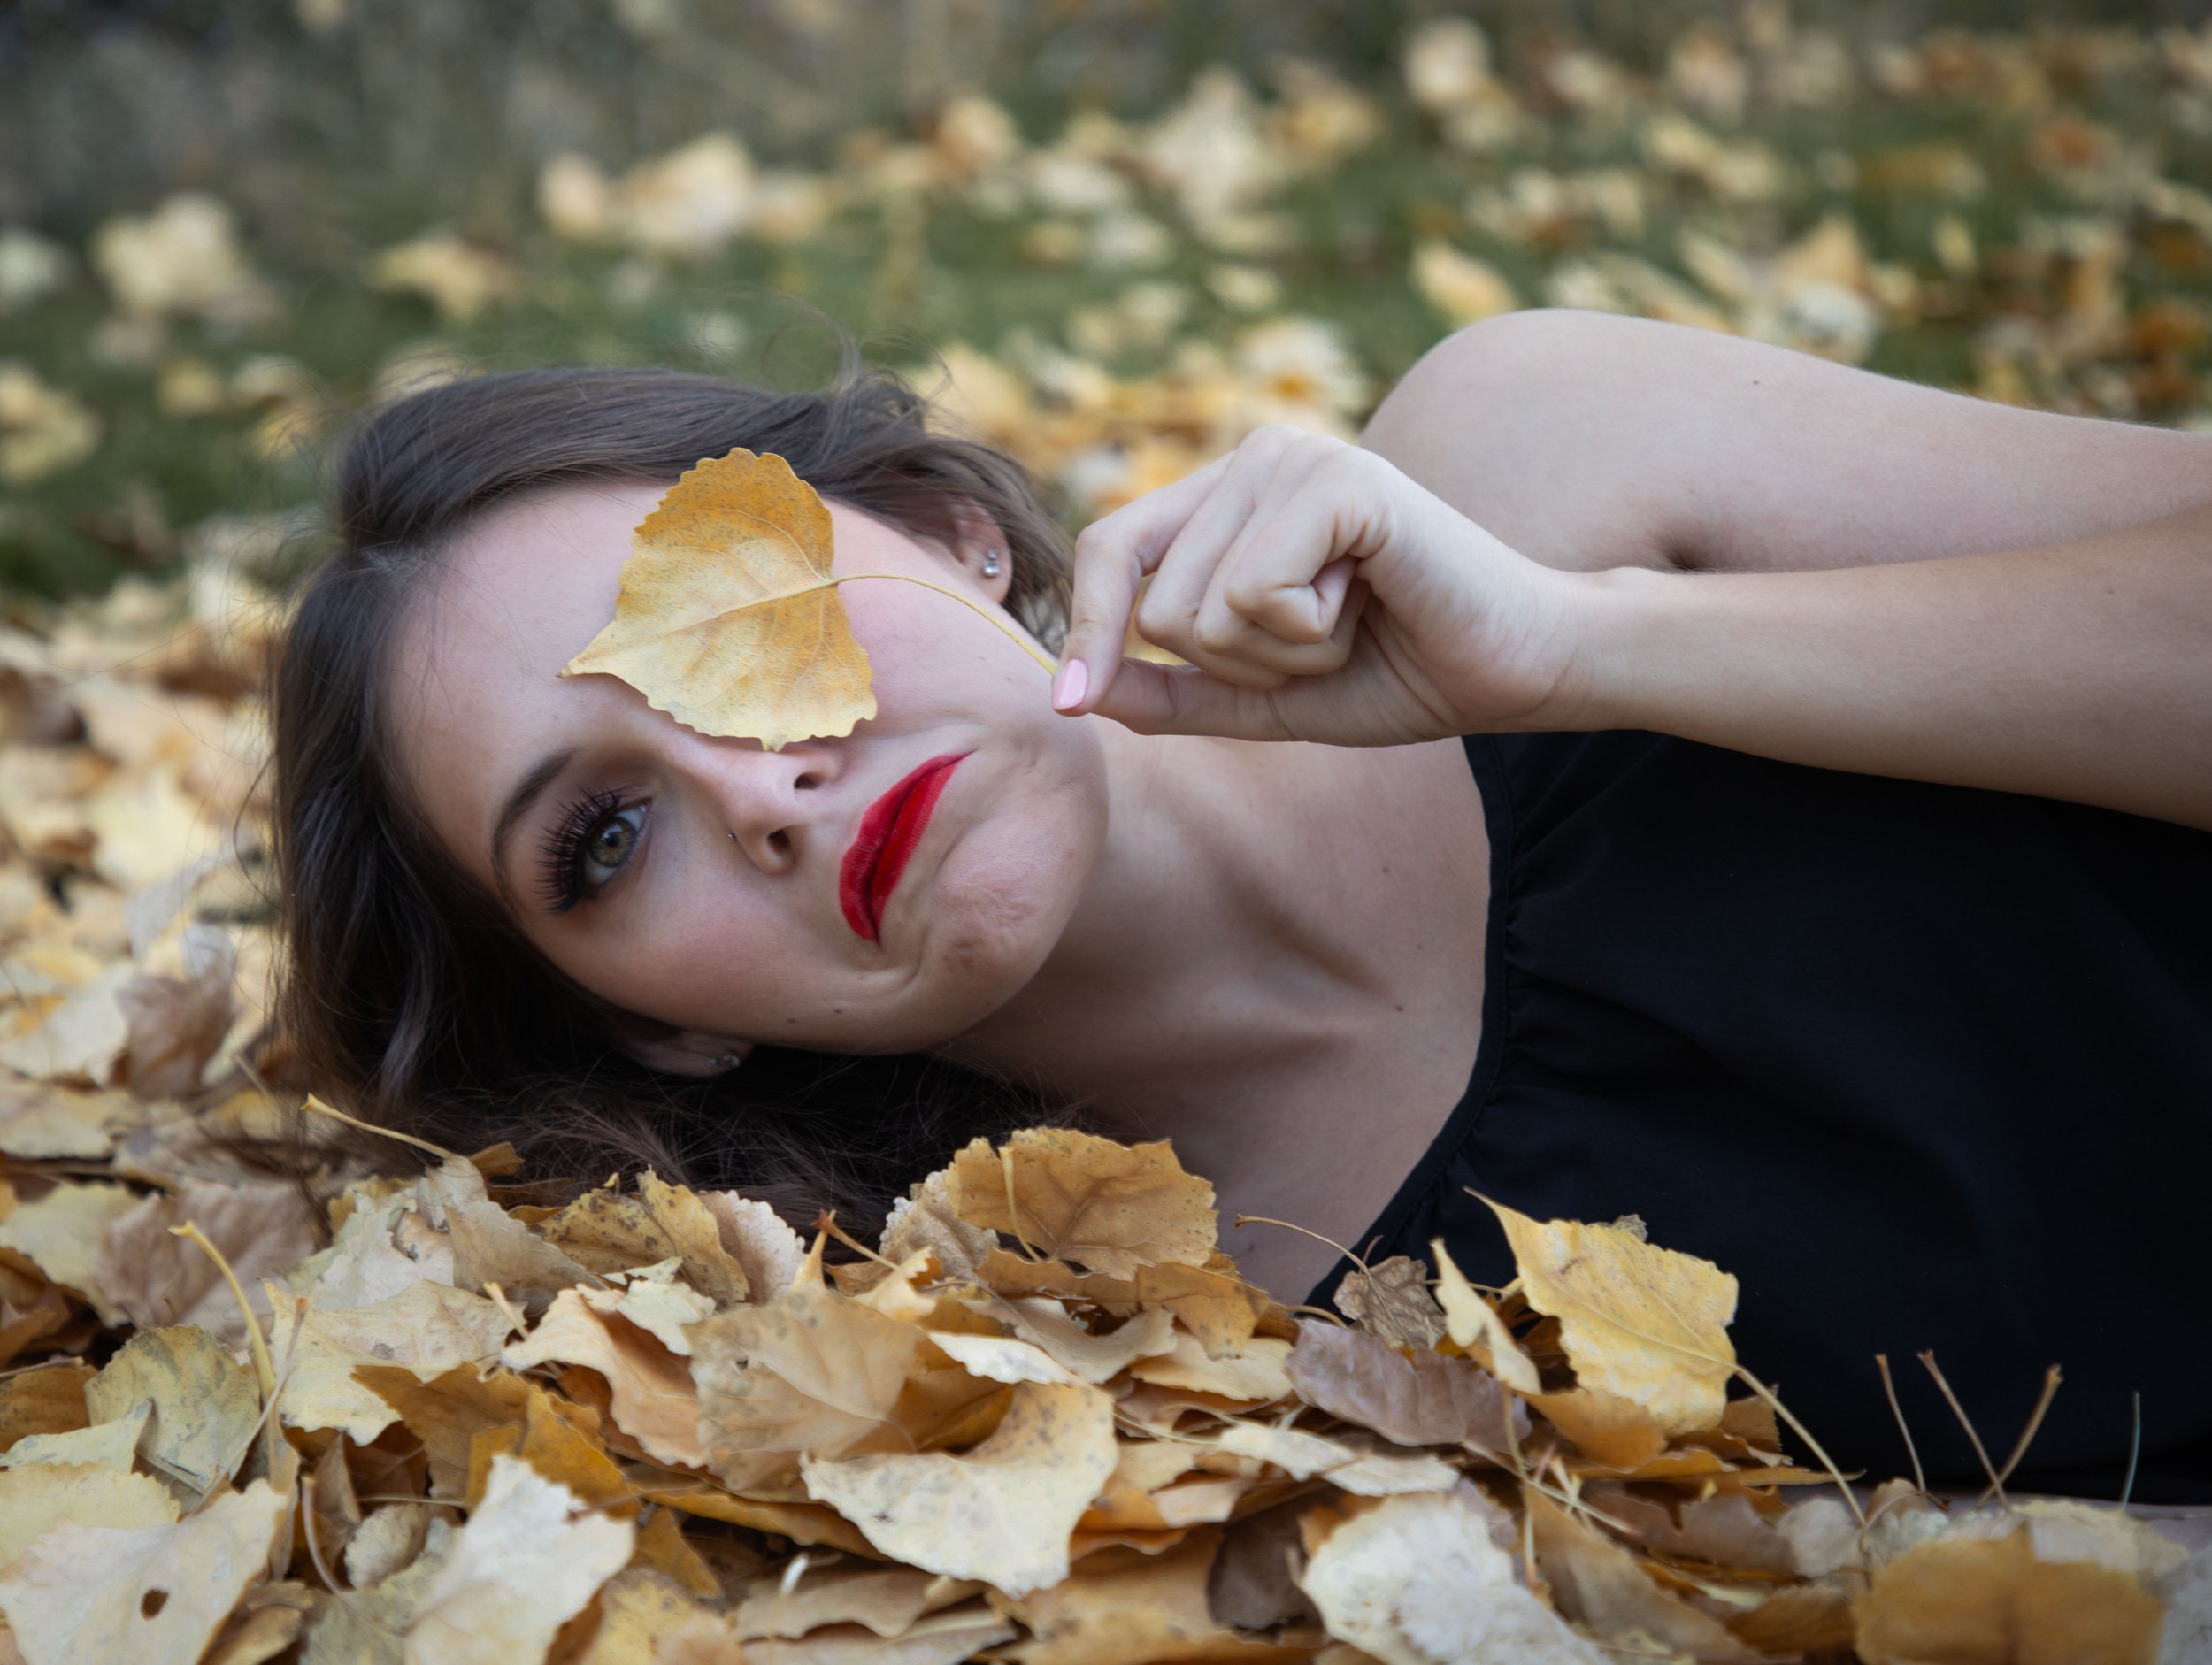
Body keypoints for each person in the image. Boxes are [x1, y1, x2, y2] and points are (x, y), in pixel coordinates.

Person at [272, 309, 2212, 1500]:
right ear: (647, 1021)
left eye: (732, 625)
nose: (755, 786)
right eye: (601, 839)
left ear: (952, 538)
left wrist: (1589, 648)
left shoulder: (1544, 463)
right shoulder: (1154, 1430)